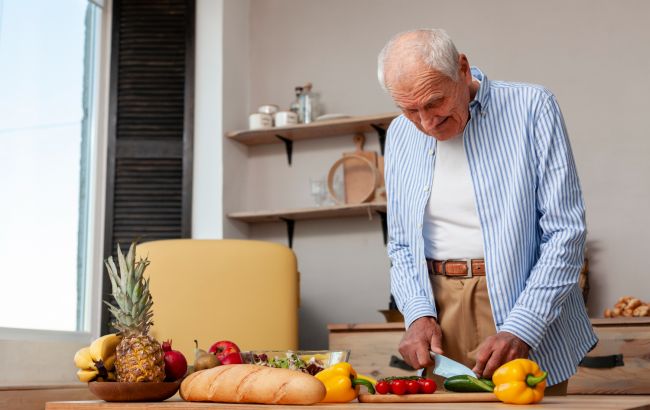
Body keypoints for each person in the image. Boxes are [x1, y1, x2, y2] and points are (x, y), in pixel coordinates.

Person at [378, 28, 597, 394]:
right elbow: (401, 243)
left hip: (523, 302)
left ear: (462, 69)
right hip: (438, 313)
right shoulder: (400, 134)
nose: (427, 123)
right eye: (410, 110)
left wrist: (522, 327)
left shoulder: (532, 107)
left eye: (435, 102)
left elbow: (565, 232)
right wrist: (416, 314)